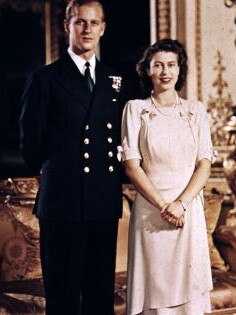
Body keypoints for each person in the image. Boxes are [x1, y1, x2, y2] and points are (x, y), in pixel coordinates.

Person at [19, 1, 124, 314]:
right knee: (63, 299)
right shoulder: (45, 79)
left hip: (103, 203)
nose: (87, 29)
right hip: (63, 204)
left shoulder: (114, 80)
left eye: (94, 22)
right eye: (80, 22)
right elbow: (30, 148)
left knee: (99, 298)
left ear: (103, 28)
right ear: (67, 25)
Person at [121, 38, 213, 315]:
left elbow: (204, 164)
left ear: (179, 70)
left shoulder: (195, 111)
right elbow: (132, 166)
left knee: (189, 301)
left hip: (187, 212)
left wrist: (180, 204)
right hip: (152, 211)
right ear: (147, 70)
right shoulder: (135, 109)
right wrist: (164, 206)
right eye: (158, 65)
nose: (165, 71)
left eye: (171, 65)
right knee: (154, 298)